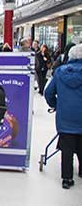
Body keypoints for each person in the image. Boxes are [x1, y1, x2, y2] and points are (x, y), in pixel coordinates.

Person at [45, 44, 82, 189]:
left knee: (66, 149)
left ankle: (67, 179)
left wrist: (55, 104)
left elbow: (48, 92)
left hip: (65, 117)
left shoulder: (60, 72)